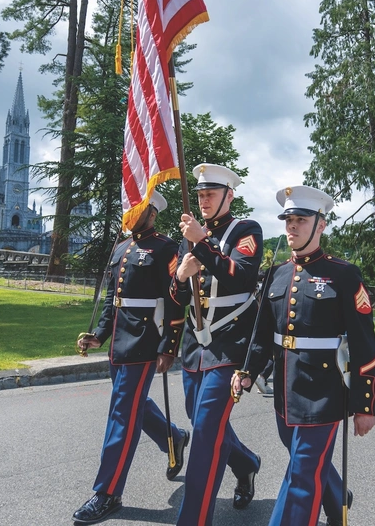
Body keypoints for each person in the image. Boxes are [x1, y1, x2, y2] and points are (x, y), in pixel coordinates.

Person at [233, 184, 375, 526]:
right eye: (288, 220)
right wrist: (248, 371)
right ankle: (338, 499)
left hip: (324, 393)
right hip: (286, 391)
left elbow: (363, 343)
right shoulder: (277, 274)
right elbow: (261, 334)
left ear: (321, 225)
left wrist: (365, 405)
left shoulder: (344, 274)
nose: (292, 226)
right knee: (306, 461)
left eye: (300, 219)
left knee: (300, 476)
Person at [73, 191, 188, 525]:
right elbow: (113, 299)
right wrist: (99, 334)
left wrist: (170, 345)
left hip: (144, 341)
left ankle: (107, 493)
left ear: (152, 212)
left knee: (122, 414)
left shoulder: (167, 248)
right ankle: (175, 436)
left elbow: (176, 300)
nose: (130, 212)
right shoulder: (121, 248)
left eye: (138, 207)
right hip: (118, 344)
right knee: (131, 404)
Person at [170, 163, 264, 524]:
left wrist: (202, 243)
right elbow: (177, 296)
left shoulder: (246, 231)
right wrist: (180, 275)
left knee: (207, 431)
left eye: (211, 194)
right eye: (200, 195)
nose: (204, 200)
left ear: (229, 195)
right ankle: (247, 463)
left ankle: (192, 519)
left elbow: (241, 277)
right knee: (201, 418)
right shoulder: (190, 235)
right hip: (196, 345)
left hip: (230, 343)